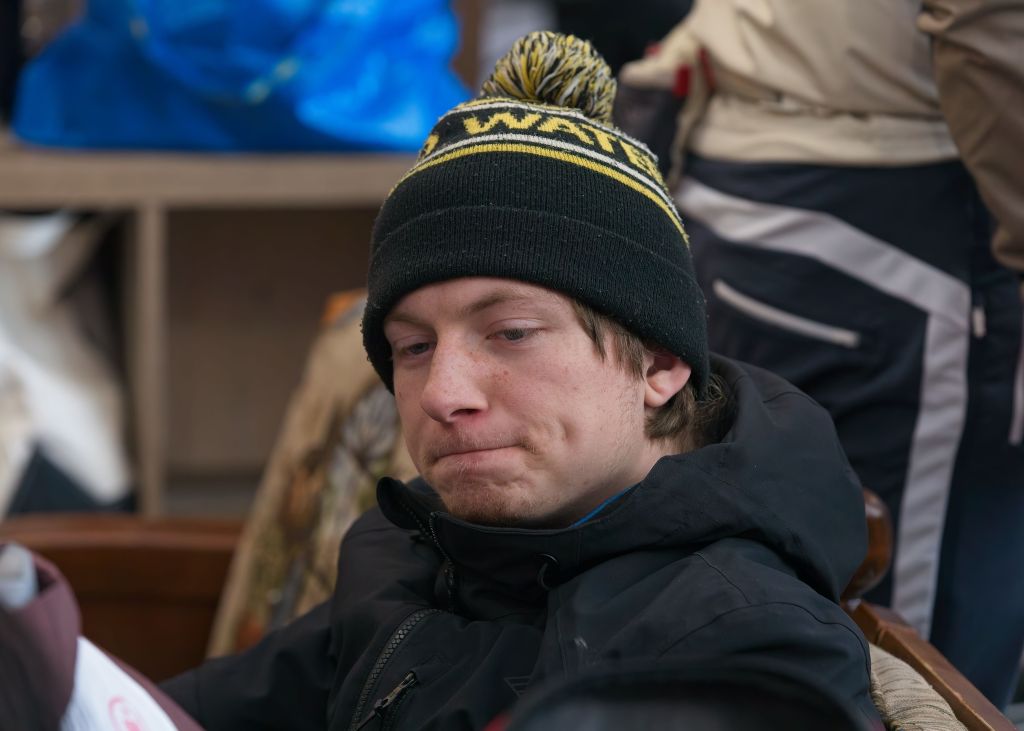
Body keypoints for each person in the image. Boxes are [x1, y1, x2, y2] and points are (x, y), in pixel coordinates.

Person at [160, 32, 880, 730]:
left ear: (660, 363)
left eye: (511, 333)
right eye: (414, 347)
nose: (443, 394)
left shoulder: (743, 648)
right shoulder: (417, 548)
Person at [621, 0, 1024, 706]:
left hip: (755, 159)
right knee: (911, 675)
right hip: (885, 206)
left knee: (764, 576)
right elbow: (982, 23)